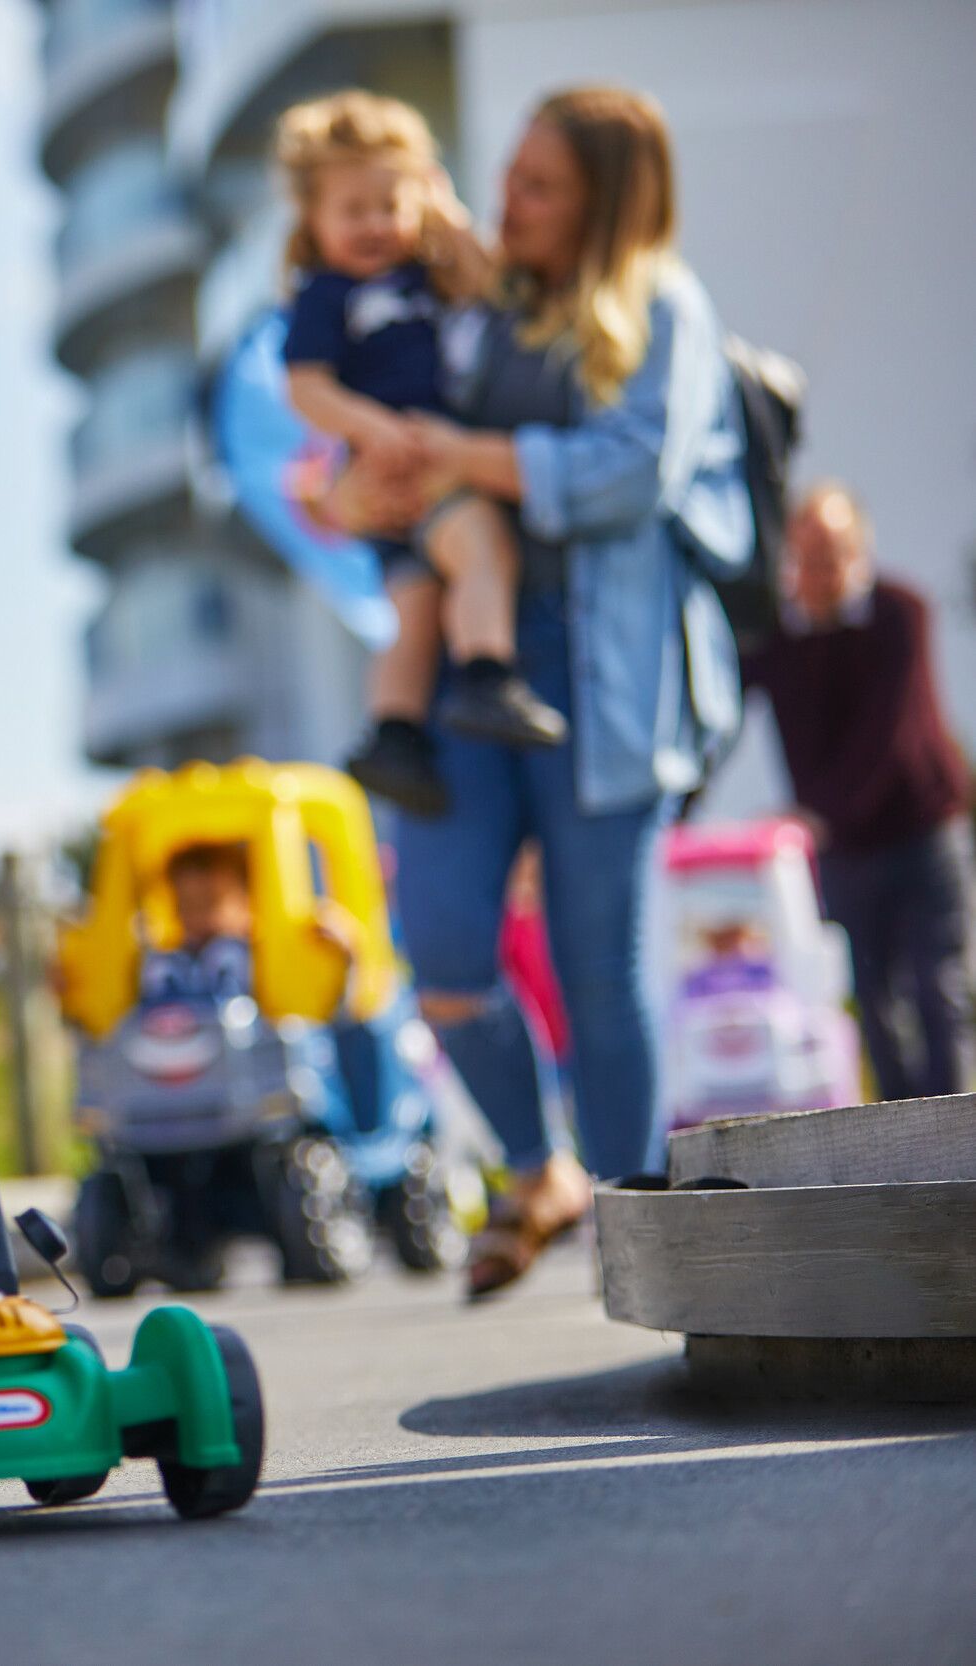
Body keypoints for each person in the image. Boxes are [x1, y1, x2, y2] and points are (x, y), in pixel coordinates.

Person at [314, 86, 753, 1298]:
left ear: (608, 203)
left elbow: (627, 472)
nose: (509, 201)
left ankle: (635, 1242)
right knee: (442, 947)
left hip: (609, 672)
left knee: (596, 966)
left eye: (541, 186)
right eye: (509, 176)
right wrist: (366, 485)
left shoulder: (666, 308)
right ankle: (528, 1164)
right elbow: (372, 459)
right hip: (469, 662)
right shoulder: (471, 301)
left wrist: (450, 458)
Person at [276, 92, 566, 822]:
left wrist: (443, 210)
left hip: (400, 467)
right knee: (482, 549)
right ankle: (486, 672)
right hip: (407, 460)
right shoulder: (324, 294)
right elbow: (304, 386)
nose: (375, 224)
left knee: (414, 605)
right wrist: (372, 430)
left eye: (389, 204)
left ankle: (395, 731)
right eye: (352, 209)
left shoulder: (425, 279)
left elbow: (490, 282)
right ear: (310, 218)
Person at [743, 483, 972, 1100]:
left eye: (834, 554)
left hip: (922, 835)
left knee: (938, 989)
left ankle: (956, 1140)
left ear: (861, 551)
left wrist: (817, 815)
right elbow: (720, 714)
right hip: (845, 855)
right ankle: (900, 1149)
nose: (821, 573)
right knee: (871, 1000)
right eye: (808, 557)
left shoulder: (902, 612)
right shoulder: (776, 640)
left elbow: (885, 733)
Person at [140, 843, 257, 1006]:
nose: (200, 917)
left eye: (211, 903)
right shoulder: (171, 966)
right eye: (187, 905)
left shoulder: (252, 960)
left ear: (247, 903)